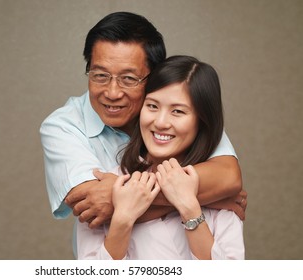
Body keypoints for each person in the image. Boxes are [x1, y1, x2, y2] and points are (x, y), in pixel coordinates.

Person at [40, 12, 246, 241]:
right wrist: (208, 198)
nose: (112, 92)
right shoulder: (62, 126)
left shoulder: (177, 112)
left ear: (154, 76)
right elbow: (97, 207)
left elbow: (227, 177)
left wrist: (123, 196)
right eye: (100, 75)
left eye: (129, 79)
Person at [77, 55, 245, 260]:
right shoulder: (107, 188)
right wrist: (122, 219)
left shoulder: (217, 194)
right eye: (152, 106)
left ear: (202, 121)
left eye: (178, 111)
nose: (161, 122)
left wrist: (189, 209)